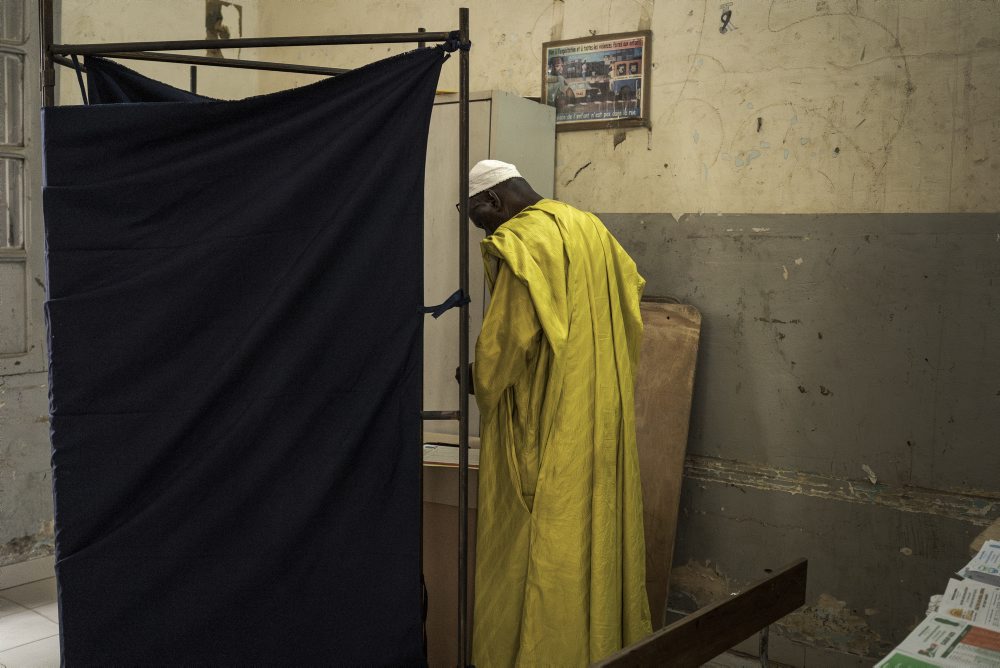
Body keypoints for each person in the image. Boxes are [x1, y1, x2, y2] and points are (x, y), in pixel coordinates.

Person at [463, 160, 652, 666]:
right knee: (593, 530)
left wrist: (474, 376)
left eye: (480, 219)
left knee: (542, 543)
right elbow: (630, 301)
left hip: (549, 422)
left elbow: (507, 342)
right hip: (598, 412)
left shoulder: (527, 240)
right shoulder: (590, 227)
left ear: (495, 201)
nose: (486, 230)